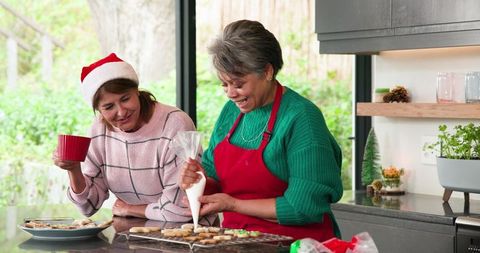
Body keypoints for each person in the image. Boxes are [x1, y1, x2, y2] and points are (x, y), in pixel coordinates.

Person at [179, 20, 343, 242]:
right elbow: (214, 173)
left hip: (296, 244)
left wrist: (233, 204)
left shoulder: (302, 117)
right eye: (224, 84)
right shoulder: (231, 112)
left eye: (238, 84)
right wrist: (199, 182)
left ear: (267, 71)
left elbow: (303, 207)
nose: (230, 93)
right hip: (235, 242)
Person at [53, 53, 217, 225]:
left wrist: (131, 209)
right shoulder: (99, 130)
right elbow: (88, 207)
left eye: (125, 99)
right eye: (108, 107)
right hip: (134, 230)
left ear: (137, 92)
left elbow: (182, 208)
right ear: (99, 110)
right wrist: (73, 169)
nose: (122, 112)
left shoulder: (175, 124)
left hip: (188, 231)